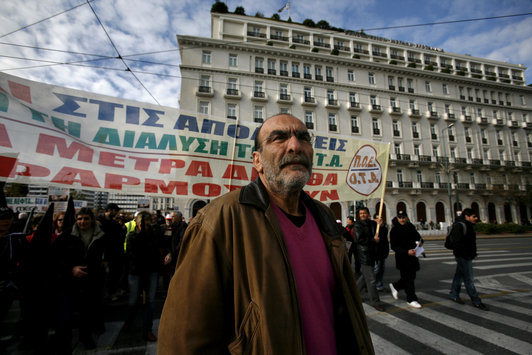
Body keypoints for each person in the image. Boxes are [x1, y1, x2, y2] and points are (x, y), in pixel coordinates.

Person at [158, 114, 374, 354]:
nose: (295, 145)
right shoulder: (217, 221)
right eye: (279, 138)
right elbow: (184, 341)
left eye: (303, 138)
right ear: (257, 161)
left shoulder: (323, 216)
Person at [53, 207, 107, 351]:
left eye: (86, 219)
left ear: (92, 220)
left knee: (87, 313)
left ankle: (85, 337)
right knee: (65, 315)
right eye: (79, 219)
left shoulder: (101, 236)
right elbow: (55, 259)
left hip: (91, 282)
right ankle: (64, 343)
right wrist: (71, 269)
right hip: (68, 282)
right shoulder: (66, 236)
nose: (83, 222)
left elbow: (109, 252)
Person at [124, 211, 168, 342]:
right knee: (133, 300)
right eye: (143, 225)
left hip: (151, 271)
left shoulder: (154, 235)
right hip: (136, 272)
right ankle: (130, 321)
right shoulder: (132, 236)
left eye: (148, 225)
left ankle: (147, 329)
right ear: (137, 224)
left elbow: (159, 250)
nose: (145, 228)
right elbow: (131, 255)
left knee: (150, 301)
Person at [448, 208, 489, 310]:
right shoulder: (460, 226)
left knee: (459, 276)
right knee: (469, 279)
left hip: (467, 255)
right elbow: (457, 243)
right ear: (467, 216)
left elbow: (469, 242)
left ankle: (453, 294)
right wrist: (465, 254)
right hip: (463, 256)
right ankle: (476, 301)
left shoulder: (468, 225)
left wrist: (473, 253)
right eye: (474, 216)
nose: (476, 218)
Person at [389, 211, 423, 309]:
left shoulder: (410, 227)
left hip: (413, 256)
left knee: (411, 277)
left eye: (403, 217)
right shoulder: (394, 230)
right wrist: (406, 252)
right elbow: (394, 246)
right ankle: (411, 299)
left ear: (407, 218)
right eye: (400, 217)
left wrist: (420, 243)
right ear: (397, 218)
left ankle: (396, 286)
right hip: (403, 257)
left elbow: (419, 237)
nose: (402, 219)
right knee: (408, 279)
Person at [353, 207, 385, 311]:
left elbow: (380, 233)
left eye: (364, 213)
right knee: (371, 280)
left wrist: (381, 224)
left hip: (373, 254)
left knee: (365, 277)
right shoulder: (357, 225)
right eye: (361, 213)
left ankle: (354, 294)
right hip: (364, 255)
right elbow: (359, 239)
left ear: (368, 214)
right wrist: (372, 240)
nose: (362, 215)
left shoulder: (372, 223)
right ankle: (376, 302)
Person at [97, 203, 126, 301]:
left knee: (112, 275)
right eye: (116, 211)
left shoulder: (113, 224)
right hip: (101, 255)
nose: (117, 213)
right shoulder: (98, 222)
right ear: (110, 210)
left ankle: (110, 292)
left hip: (113, 254)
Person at [373, 213, 389, 291]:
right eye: (377, 219)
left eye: (381, 219)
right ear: (374, 220)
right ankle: (370, 284)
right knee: (376, 269)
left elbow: (385, 239)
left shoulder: (384, 228)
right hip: (376, 252)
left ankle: (379, 284)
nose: (379, 221)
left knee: (381, 269)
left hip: (382, 252)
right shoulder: (372, 228)